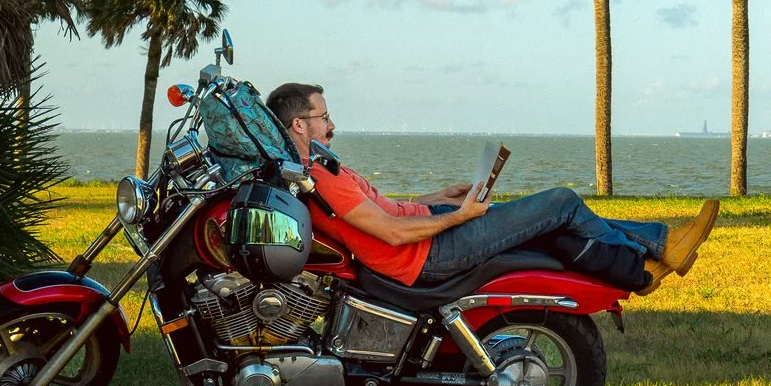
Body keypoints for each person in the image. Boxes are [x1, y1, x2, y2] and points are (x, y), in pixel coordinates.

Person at [263, 82, 715, 293]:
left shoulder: (317, 168)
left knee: (551, 223)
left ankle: (645, 259)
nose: (332, 123)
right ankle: (654, 251)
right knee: (560, 200)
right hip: (429, 254)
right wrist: (460, 217)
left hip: (435, 230)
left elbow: (385, 210)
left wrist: (440, 197)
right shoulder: (317, 177)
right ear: (299, 124)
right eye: (324, 116)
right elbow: (390, 234)